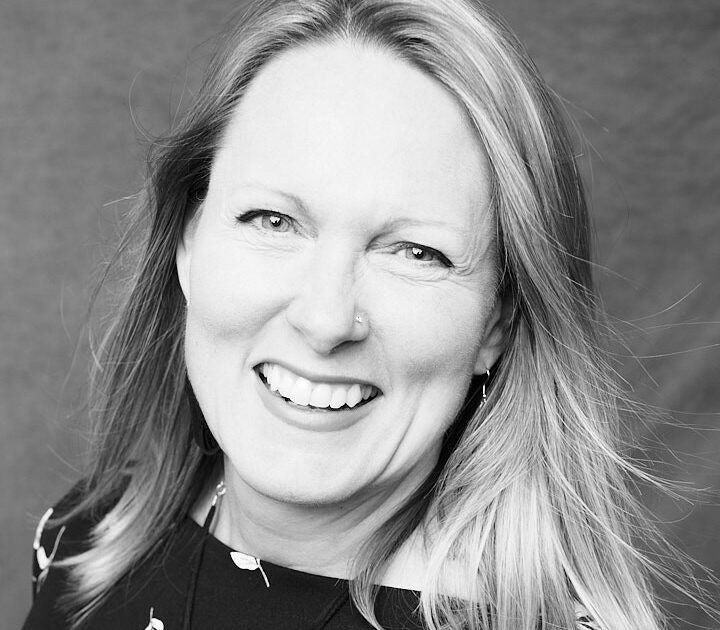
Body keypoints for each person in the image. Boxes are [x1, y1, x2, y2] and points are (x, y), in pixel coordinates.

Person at [22, 0, 706, 628]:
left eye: (415, 252)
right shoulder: (82, 544)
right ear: (189, 246)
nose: (325, 320)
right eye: (273, 219)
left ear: (497, 325)